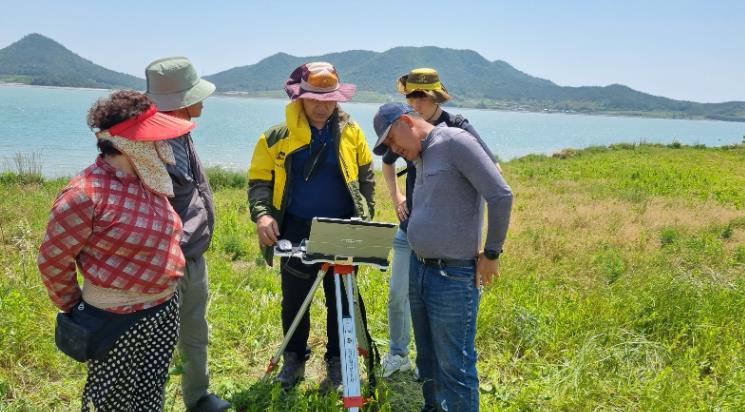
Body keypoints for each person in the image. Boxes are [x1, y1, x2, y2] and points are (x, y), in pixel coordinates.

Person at [37, 90, 193, 411]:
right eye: (152, 136)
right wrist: (79, 308)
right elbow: (53, 260)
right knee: (112, 401)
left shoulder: (147, 179)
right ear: (125, 142)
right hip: (115, 320)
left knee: (151, 391)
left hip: (163, 309)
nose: (161, 143)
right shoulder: (84, 194)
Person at [372, 102, 513, 411]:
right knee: (427, 360)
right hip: (420, 269)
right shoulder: (421, 155)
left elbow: (500, 195)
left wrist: (492, 252)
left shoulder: (454, 141)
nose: (393, 149)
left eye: (392, 139)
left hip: (452, 277)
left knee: (455, 367)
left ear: (406, 121)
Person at [248, 62, 375, 391]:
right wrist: (263, 215)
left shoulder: (352, 132)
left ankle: (338, 360)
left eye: (329, 99)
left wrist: (366, 214)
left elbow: (366, 177)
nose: (322, 106)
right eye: (314, 99)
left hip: (343, 227)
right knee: (294, 299)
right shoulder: (276, 136)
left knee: (342, 299)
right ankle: (294, 358)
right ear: (300, 98)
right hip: (295, 228)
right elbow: (259, 181)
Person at [145, 56, 229, 412]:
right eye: (196, 94)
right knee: (156, 344)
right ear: (180, 101)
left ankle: (198, 396)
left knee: (195, 331)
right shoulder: (146, 145)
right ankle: (150, 404)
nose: (203, 100)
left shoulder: (180, 131)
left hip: (192, 255)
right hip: (165, 263)